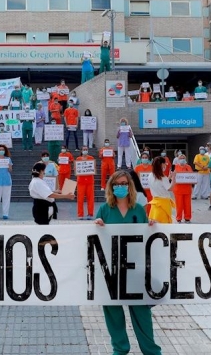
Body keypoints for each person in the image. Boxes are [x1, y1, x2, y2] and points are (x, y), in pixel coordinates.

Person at [94, 171, 161, 355]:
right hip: (111, 271)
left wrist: (152, 225)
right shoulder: (105, 210)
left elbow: (148, 237)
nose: (120, 187)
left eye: (124, 183)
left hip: (135, 271)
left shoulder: (138, 210)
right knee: (113, 314)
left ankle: (151, 351)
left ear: (130, 186)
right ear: (111, 186)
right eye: (116, 184)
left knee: (142, 314)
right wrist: (96, 225)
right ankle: (120, 349)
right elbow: (95, 237)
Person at [149, 157, 175, 223]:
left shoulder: (150, 175)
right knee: (164, 224)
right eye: (164, 164)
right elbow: (170, 188)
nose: (165, 165)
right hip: (163, 204)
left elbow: (161, 184)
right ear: (162, 164)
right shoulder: (162, 177)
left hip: (155, 203)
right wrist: (174, 178)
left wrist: (169, 177)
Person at [171, 154, 194, 223]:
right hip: (178, 189)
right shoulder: (175, 167)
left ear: (185, 159)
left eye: (183, 158)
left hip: (187, 189)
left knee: (187, 205)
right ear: (178, 159)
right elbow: (171, 177)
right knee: (179, 205)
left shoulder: (188, 167)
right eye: (181, 158)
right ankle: (179, 218)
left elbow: (192, 176)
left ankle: (187, 218)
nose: (182, 159)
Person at [74, 146, 95, 220]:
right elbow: (76, 169)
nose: (85, 150)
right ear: (81, 151)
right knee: (80, 199)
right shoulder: (78, 159)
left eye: (86, 149)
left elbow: (93, 168)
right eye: (84, 149)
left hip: (90, 181)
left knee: (90, 198)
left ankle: (90, 213)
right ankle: (80, 214)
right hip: (81, 182)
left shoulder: (91, 158)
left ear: (88, 150)